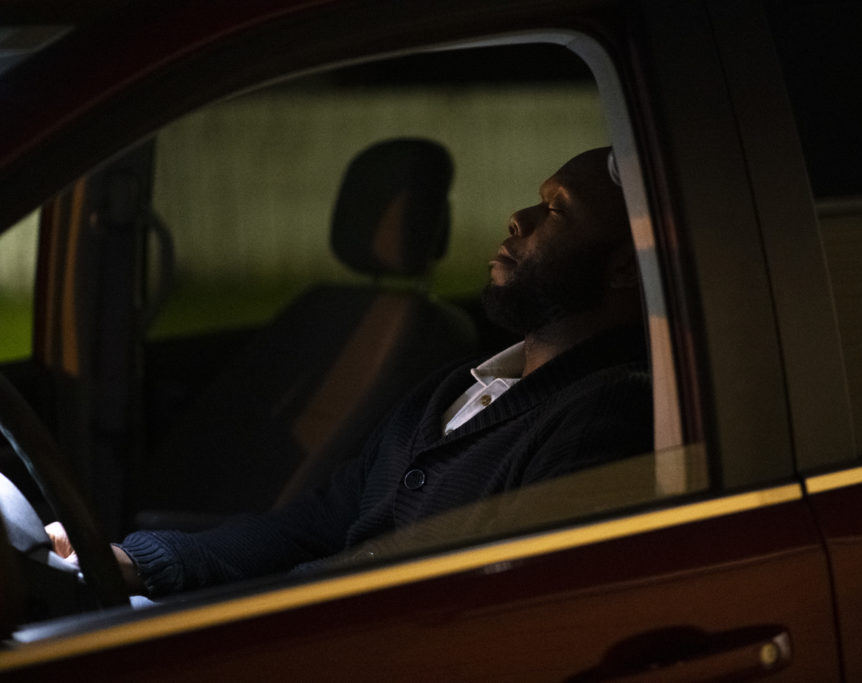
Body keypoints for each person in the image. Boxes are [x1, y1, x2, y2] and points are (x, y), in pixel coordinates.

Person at [48, 147, 653, 596]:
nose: (518, 218)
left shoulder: (603, 420)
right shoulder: (451, 389)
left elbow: (471, 607)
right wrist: (132, 562)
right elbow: (316, 523)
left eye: (556, 212)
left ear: (624, 268)